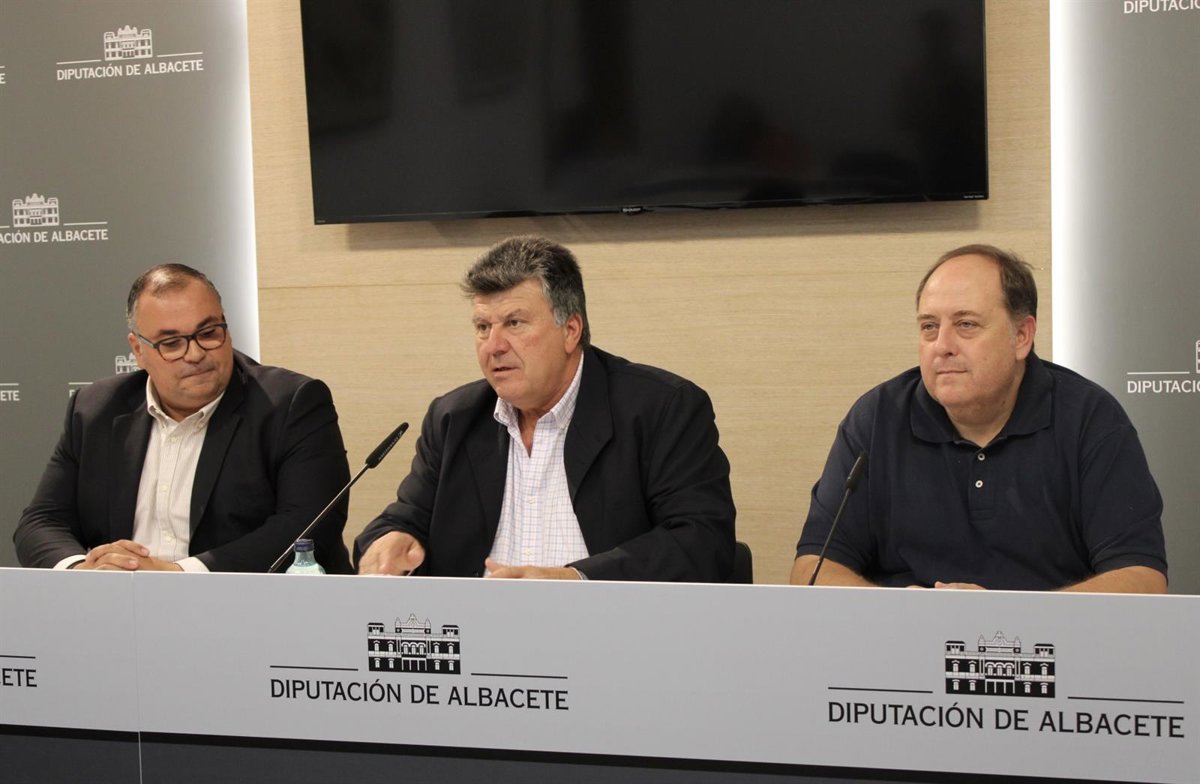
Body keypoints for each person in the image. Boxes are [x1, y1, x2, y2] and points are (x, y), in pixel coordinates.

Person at [356, 235, 735, 581]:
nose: (493, 346)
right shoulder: (454, 419)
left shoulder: (661, 408)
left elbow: (701, 541)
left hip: (609, 626)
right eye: (483, 327)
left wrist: (574, 580)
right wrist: (390, 540)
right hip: (478, 629)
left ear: (570, 330)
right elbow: (405, 520)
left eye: (514, 323)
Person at [791, 244, 1167, 592]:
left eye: (966, 325)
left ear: (1022, 336)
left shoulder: (1089, 419)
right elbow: (813, 569)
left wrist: (1005, 620)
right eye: (929, 327)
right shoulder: (876, 419)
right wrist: (902, 615)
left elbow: (1142, 578)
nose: (942, 346)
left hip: (1043, 639)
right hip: (905, 637)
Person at [14, 264, 353, 573]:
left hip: (249, 605)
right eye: (172, 343)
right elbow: (42, 522)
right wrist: (83, 570)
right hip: (122, 604)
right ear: (138, 350)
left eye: (208, 333)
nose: (195, 354)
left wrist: (179, 575)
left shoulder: (291, 403)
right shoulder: (95, 410)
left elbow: (309, 525)